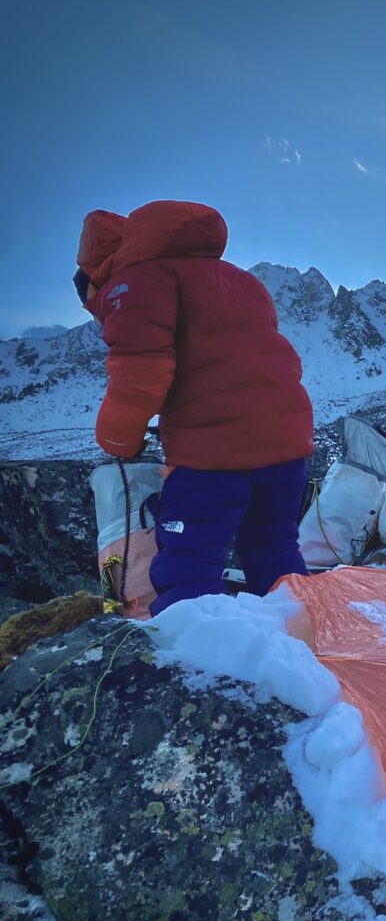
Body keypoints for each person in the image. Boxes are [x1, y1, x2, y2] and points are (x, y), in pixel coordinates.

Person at [74, 200, 314, 616]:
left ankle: (196, 666)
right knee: (274, 545)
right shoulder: (238, 279)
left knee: (189, 558)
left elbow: (140, 371)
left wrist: (117, 440)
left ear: (97, 277)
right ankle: (301, 638)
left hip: (213, 455)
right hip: (287, 445)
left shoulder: (134, 283)